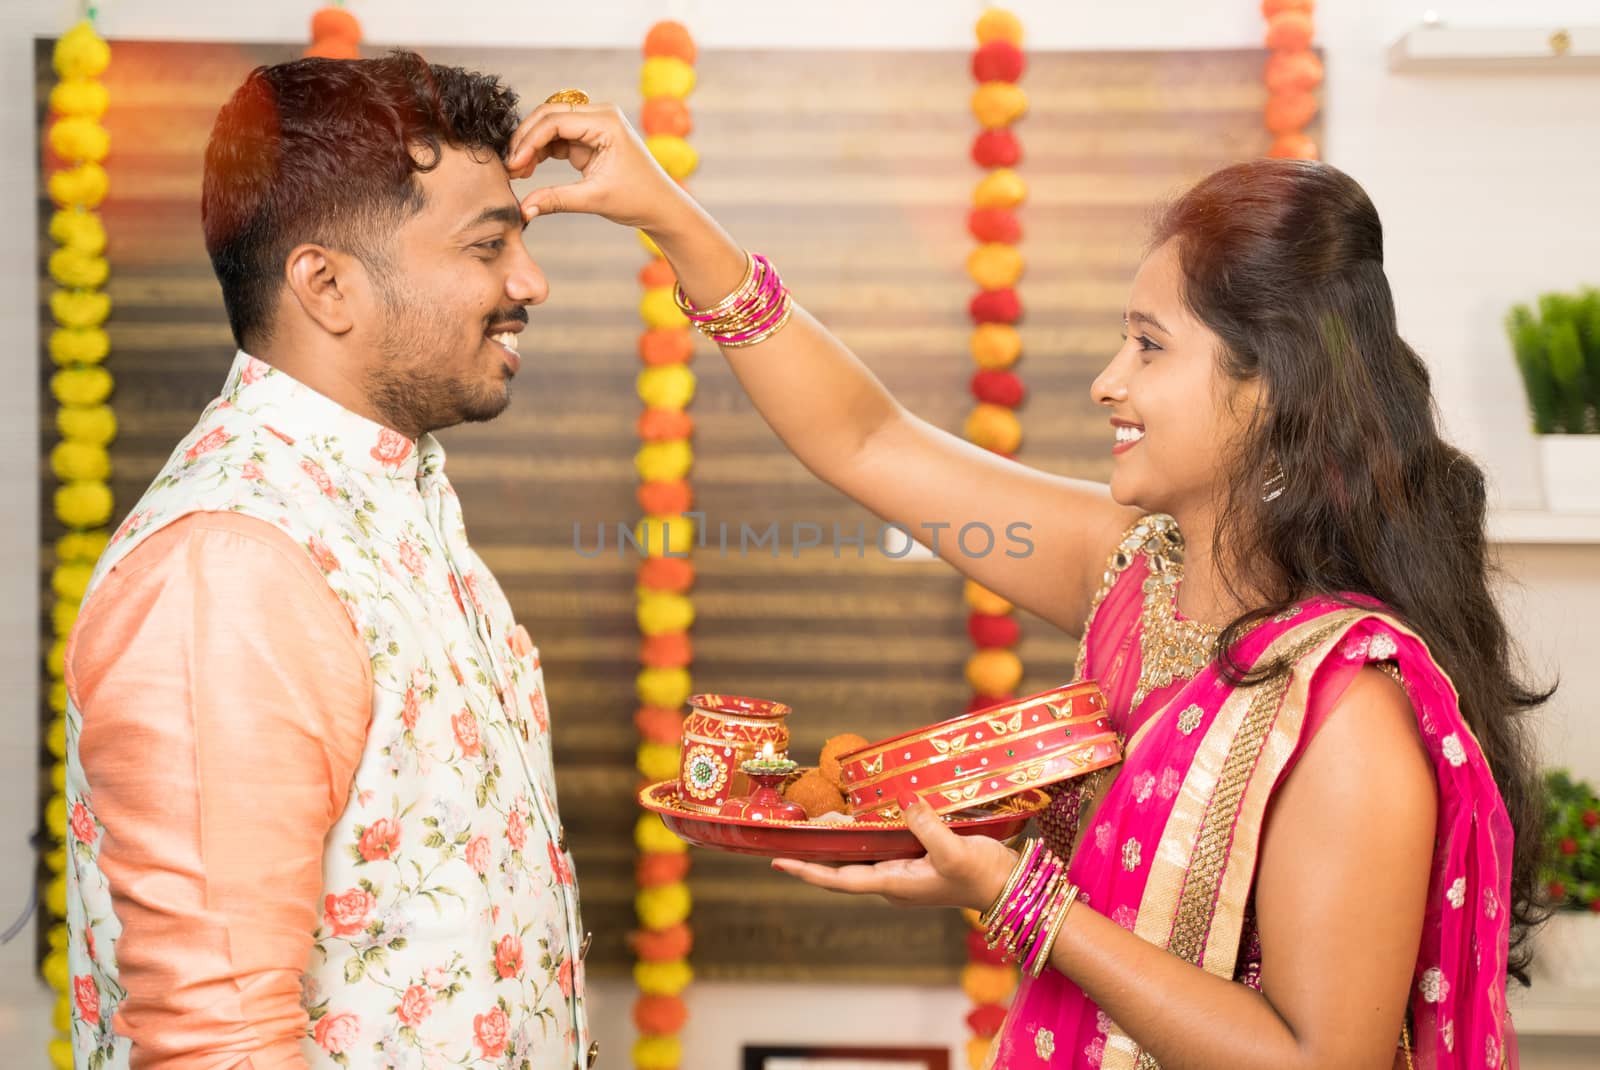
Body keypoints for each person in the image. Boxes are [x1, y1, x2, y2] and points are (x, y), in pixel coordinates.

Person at [505, 103, 1547, 1069]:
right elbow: (865, 440)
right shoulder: (1134, 576)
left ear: (1267, 392)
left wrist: (1019, 897)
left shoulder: (1346, 706)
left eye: (1147, 345)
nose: (1107, 380)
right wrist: (673, 220)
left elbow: (1323, 1061)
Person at [63, 55, 597, 1069]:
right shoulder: (229, 571)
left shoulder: (394, 502)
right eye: (490, 245)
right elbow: (216, 1043)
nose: (530, 281)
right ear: (327, 284)